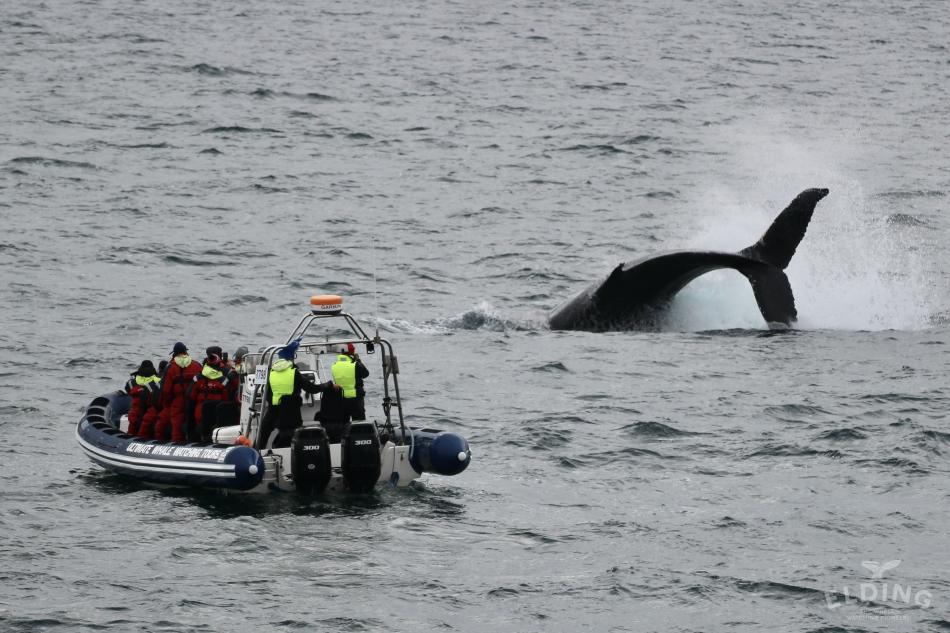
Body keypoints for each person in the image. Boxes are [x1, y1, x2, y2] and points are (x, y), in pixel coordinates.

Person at [262, 340, 338, 447]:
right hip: (291, 414)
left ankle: (258, 451)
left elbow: (264, 392)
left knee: (264, 429)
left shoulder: (271, 372)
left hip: (274, 411)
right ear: (292, 357)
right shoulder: (294, 372)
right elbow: (312, 389)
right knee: (292, 433)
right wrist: (329, 385)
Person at [154, 342, 202, 443]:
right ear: (185, 352)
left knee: (177, 428)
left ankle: (176, 446)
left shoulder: (171, 367)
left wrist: (167, 405)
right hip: (194, 401)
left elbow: (166, 390)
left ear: (174, 354)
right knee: (194, 424)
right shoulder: (197, 365)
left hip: (177, 402)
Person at [188, 354, 234, 442]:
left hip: (200, 416)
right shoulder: (224, 380)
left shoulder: (197, 378)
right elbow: (228, 398)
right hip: (218, 418)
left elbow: (190, 396)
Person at [331, 343, 370, 423]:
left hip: (341, 399)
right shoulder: (355, 365)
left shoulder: (334, 365)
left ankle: (344, 435)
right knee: (359, 423)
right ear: (352, 353)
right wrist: (358, 360)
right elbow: (365, 374)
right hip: (355, 399)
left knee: (343, 424)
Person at [124, 360, 160, 437]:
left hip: (136, 410)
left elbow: (128, 389)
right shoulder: (157, 380)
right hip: (151, 407)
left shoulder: (132, 382)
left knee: (133, 426)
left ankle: (131, 437)